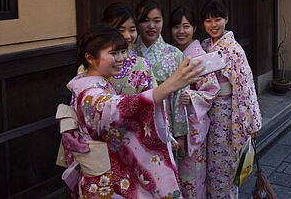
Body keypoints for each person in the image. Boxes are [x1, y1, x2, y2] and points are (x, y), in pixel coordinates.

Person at [63, 24, 203, 197]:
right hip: (103, 181)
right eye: (113, 53)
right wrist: (170, 85)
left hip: (105, 173)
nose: (121, 58)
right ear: (90, 58)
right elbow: (121, 108)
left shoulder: (89, 83)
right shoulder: (90, 95)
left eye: (122, 51)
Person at [200, 0, 262, 198]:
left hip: (227, 114)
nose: (213, 24)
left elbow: (245, 88)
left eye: (217, 19)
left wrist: (250, 123)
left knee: (223, 165)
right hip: (206, 111)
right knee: (209, 163)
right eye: (208, 20)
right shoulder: (205, 46)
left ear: (226, 19)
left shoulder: (234, 50)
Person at [169, 6, 220, 199]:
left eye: (186, 26)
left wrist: (191, 96)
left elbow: (211, 89)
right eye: (176, 26)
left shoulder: (199, 55)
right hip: (172, 123)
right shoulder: (170, 54)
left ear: (194, 28)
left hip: (192, 126)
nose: (181, 31)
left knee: (192, 176)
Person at [133, 0, 188, 157]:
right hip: (137, 122)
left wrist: (180, 135)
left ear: (163, 22)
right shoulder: (128, 55)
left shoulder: (175, 54)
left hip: (166, 122)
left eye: (156, 21)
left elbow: (179, 97)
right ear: (137, 22)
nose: (151, 26)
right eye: (145, 20)